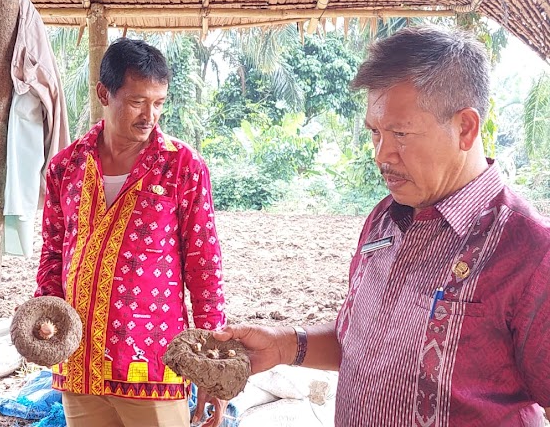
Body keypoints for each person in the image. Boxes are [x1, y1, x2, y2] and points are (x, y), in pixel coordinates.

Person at [215, 26, 550, 426]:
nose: (381, 154)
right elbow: (361, 342)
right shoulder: (383, 220)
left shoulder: (529, 250)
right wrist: (286, 345)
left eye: (400, 134)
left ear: (465, 128)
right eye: (375, 132)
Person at [35, 37, 227, 427]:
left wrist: (212, 364)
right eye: (138, 101)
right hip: (79, 364)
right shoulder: (64, 167)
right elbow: (54, 256)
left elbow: (204, 267)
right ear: (104, 93)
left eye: (158, 103)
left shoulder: (182, 167)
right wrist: (44, 320)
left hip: (153, 367)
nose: (149, 115)